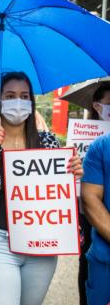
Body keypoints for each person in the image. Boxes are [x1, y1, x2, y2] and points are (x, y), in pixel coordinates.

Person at [0, 72, 83, 305]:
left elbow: (61, 197)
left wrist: (73, 173)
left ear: (31, 102)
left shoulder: (49, 142)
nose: (17, 102)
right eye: (10, 96)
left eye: (24, 96)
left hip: (42, 245)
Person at [77, 82, 110, 305]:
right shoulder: (94, 142)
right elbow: (90, 199)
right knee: (87, 261)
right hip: (92, 223)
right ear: (97, 107)